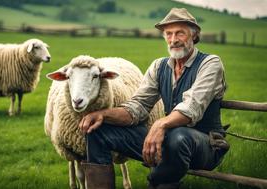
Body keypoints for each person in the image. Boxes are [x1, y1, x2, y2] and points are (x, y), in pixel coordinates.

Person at [79, 8, 229, 189]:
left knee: (178, 136)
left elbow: (192, 107)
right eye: (168, 34)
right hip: (167, 141)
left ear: (194, 35)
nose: (173, 40)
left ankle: (156, 183)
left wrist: (159, 124)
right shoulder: (159, 66)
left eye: (180, 33)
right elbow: (137, 107)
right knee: (98, 130)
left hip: (205, 146)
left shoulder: (210, 63)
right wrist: (103, 114)